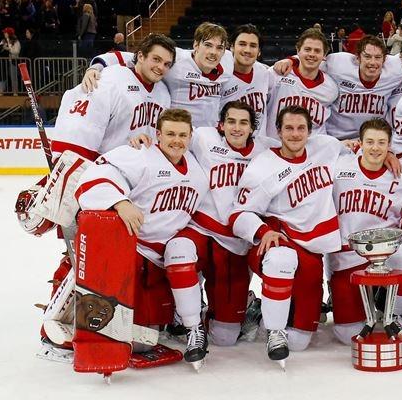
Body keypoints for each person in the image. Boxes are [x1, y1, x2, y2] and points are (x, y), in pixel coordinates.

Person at [157, 101, 273, 369]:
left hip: (235, 240)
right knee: (178, 250)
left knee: (225, 337)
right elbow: (172, 134)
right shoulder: (204, 137)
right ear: (220, 124)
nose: (236, 127)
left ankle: (243, 306)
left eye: (243, 122)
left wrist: (355, 148)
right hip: (199, 226)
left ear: (252, 128)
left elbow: (305, 149)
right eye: (231, 121)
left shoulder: (267, 150)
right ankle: (191, 324)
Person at [231, 105, 349, 367]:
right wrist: (263, 230)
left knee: (300, 341)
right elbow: (238, 214)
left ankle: (265, 314)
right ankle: (274, 331)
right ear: (278, 131)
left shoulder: (326, 146)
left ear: (310, 131)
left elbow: (358, 153)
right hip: (276, 242)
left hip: (311, 249)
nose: (295, 134)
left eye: (301, 128)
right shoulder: (263, 165)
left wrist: (387, 157)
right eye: (289, 128)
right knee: (283, 259)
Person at [75, 108, 210, 336]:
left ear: (190, 136)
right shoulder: (141, 154)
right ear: (158, 134)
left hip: (164, 260)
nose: (176, 141)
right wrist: (120, 202)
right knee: (125, 330)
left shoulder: (197, 167)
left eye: (182, 135)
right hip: (134, 252)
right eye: (170, 134)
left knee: (151, 332)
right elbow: (95, 175)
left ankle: (180, 312)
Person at [329, 118, 402, 345]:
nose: (375, 148)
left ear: (390, 146)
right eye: (369, 142)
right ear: (359, 143)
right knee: (345, 335)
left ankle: (396, 311)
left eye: (381, 143)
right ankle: (369, 297)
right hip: (347, 255)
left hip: (386, 254)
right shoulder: (339, 167)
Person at [83, 22, 235, 129]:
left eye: (219, 48)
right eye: (208, 45)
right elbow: (132, 57)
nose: (213, 52)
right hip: (177, 133)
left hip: (209, 137)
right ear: (195, 45)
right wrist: (96, 67)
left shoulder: (228, 60)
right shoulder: (176, 60)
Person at [53, 33, 175, 161]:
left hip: (139, 171)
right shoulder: (111, 79)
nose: (161, 67)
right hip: (105, 170)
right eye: (156, 59)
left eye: (167, 64)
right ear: (140, 56)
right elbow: (82, 130)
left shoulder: (164, 93)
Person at [324, 35, 402, 141]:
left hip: (370, 140)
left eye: (378, 57)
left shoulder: (396, 70)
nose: (372, 62)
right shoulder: (338, 65)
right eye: (367, 56)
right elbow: (311, 60)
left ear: (384, 59)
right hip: (336, 139)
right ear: (357, 58)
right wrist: (294, 61)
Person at [265, 27, 339, 137]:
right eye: (307, 49)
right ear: (298, 50)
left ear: (324, 55)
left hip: (312, 150)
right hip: (276, 146)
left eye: (317, 51)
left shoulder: (331, 88)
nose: (312, 54)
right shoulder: (277, 74)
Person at [220, 24, 271, 125]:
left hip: (258, 140)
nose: (247, 50)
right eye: (242, 44)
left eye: (253, 46)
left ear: (259, 51)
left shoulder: (265, 72)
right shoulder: (220, 76)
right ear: (231, 47)